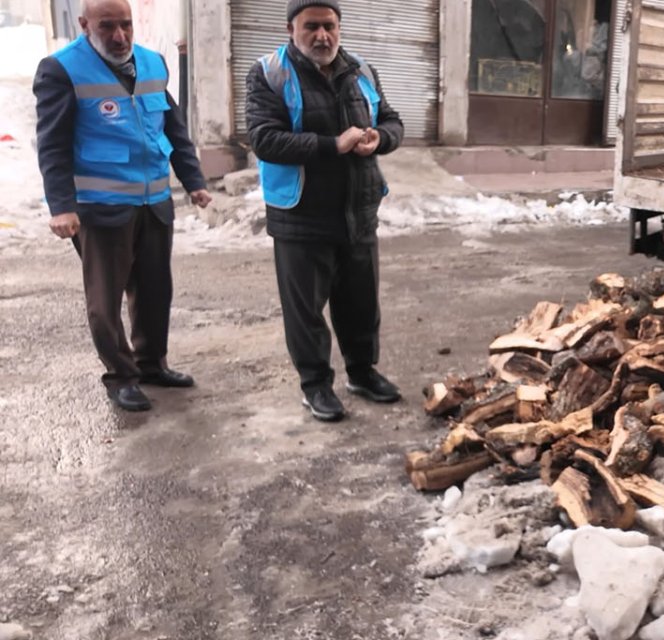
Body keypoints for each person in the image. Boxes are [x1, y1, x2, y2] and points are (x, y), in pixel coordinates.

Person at [34, 0, 212, 412]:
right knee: (105, 300)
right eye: (107, 26)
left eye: (126, 25)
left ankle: (151, 364)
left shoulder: (151, 64)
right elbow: (53, 147)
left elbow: (174, 128)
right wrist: (61, 206)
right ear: (84, 25)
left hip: (153, 201)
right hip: (100, 207)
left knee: (154, 291)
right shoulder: (61, 70)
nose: (119, 36)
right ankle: (121, 376)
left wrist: (194, 180)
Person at [245, 0, 405, 422]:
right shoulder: (269, 73)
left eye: (329, 26)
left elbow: (392, 120)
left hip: (358, 209)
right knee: (306, 311)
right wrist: (333, 144)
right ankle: (315, 385)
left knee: (360, 302)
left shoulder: (362, 71)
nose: (322, 36)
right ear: (290, 29)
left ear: (339, 26)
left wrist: (380, 139)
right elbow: (264, 139)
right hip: (301, 214)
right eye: (311, 26)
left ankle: (362, 372)